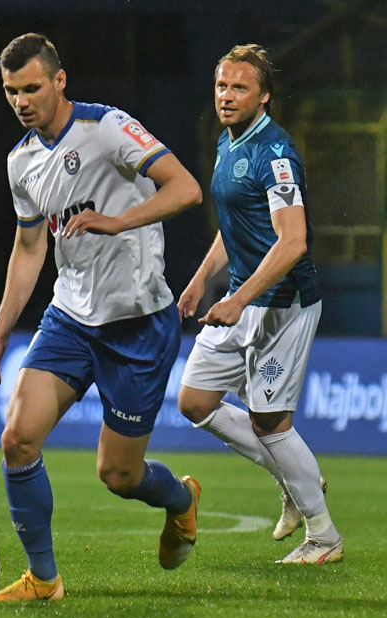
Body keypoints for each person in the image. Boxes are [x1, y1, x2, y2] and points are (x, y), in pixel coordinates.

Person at [0, 33, 203, 603]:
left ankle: (181, 499)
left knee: (118, 476)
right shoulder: (22, 162)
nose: (21, 101)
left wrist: (117, 221)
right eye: (11, 92)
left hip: (138, 324)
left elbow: (186, 189)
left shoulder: (107, 128)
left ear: (59, 80)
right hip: (70, 319)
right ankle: (43, 580)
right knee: (17, 440)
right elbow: (30, 247)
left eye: (31, 88)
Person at [177, 44, 342, 564]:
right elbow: (236, 226)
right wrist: (202, 279)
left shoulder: (275, 154)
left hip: (282, 303)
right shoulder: (227, 142)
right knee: (195, 402)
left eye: (240, 87)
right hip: (242, 295)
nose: (227, 96)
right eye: (222, 86)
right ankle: (294, 477)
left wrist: (238, 299)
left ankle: (324, 537)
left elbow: (292, 242)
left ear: (264, 96)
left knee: (270, 422)